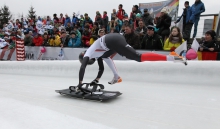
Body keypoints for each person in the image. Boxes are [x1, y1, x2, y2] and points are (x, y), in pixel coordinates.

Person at [75, 33, 187, 90]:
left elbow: (83, 67)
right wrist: (96, 80)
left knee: (139, 57)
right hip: (112, 42)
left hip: (113, 41)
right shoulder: (98, 55)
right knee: (106, 57)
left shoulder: (89, 51)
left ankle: (172, 57)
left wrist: (80, 83)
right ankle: (116, 76)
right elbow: (101, 68)